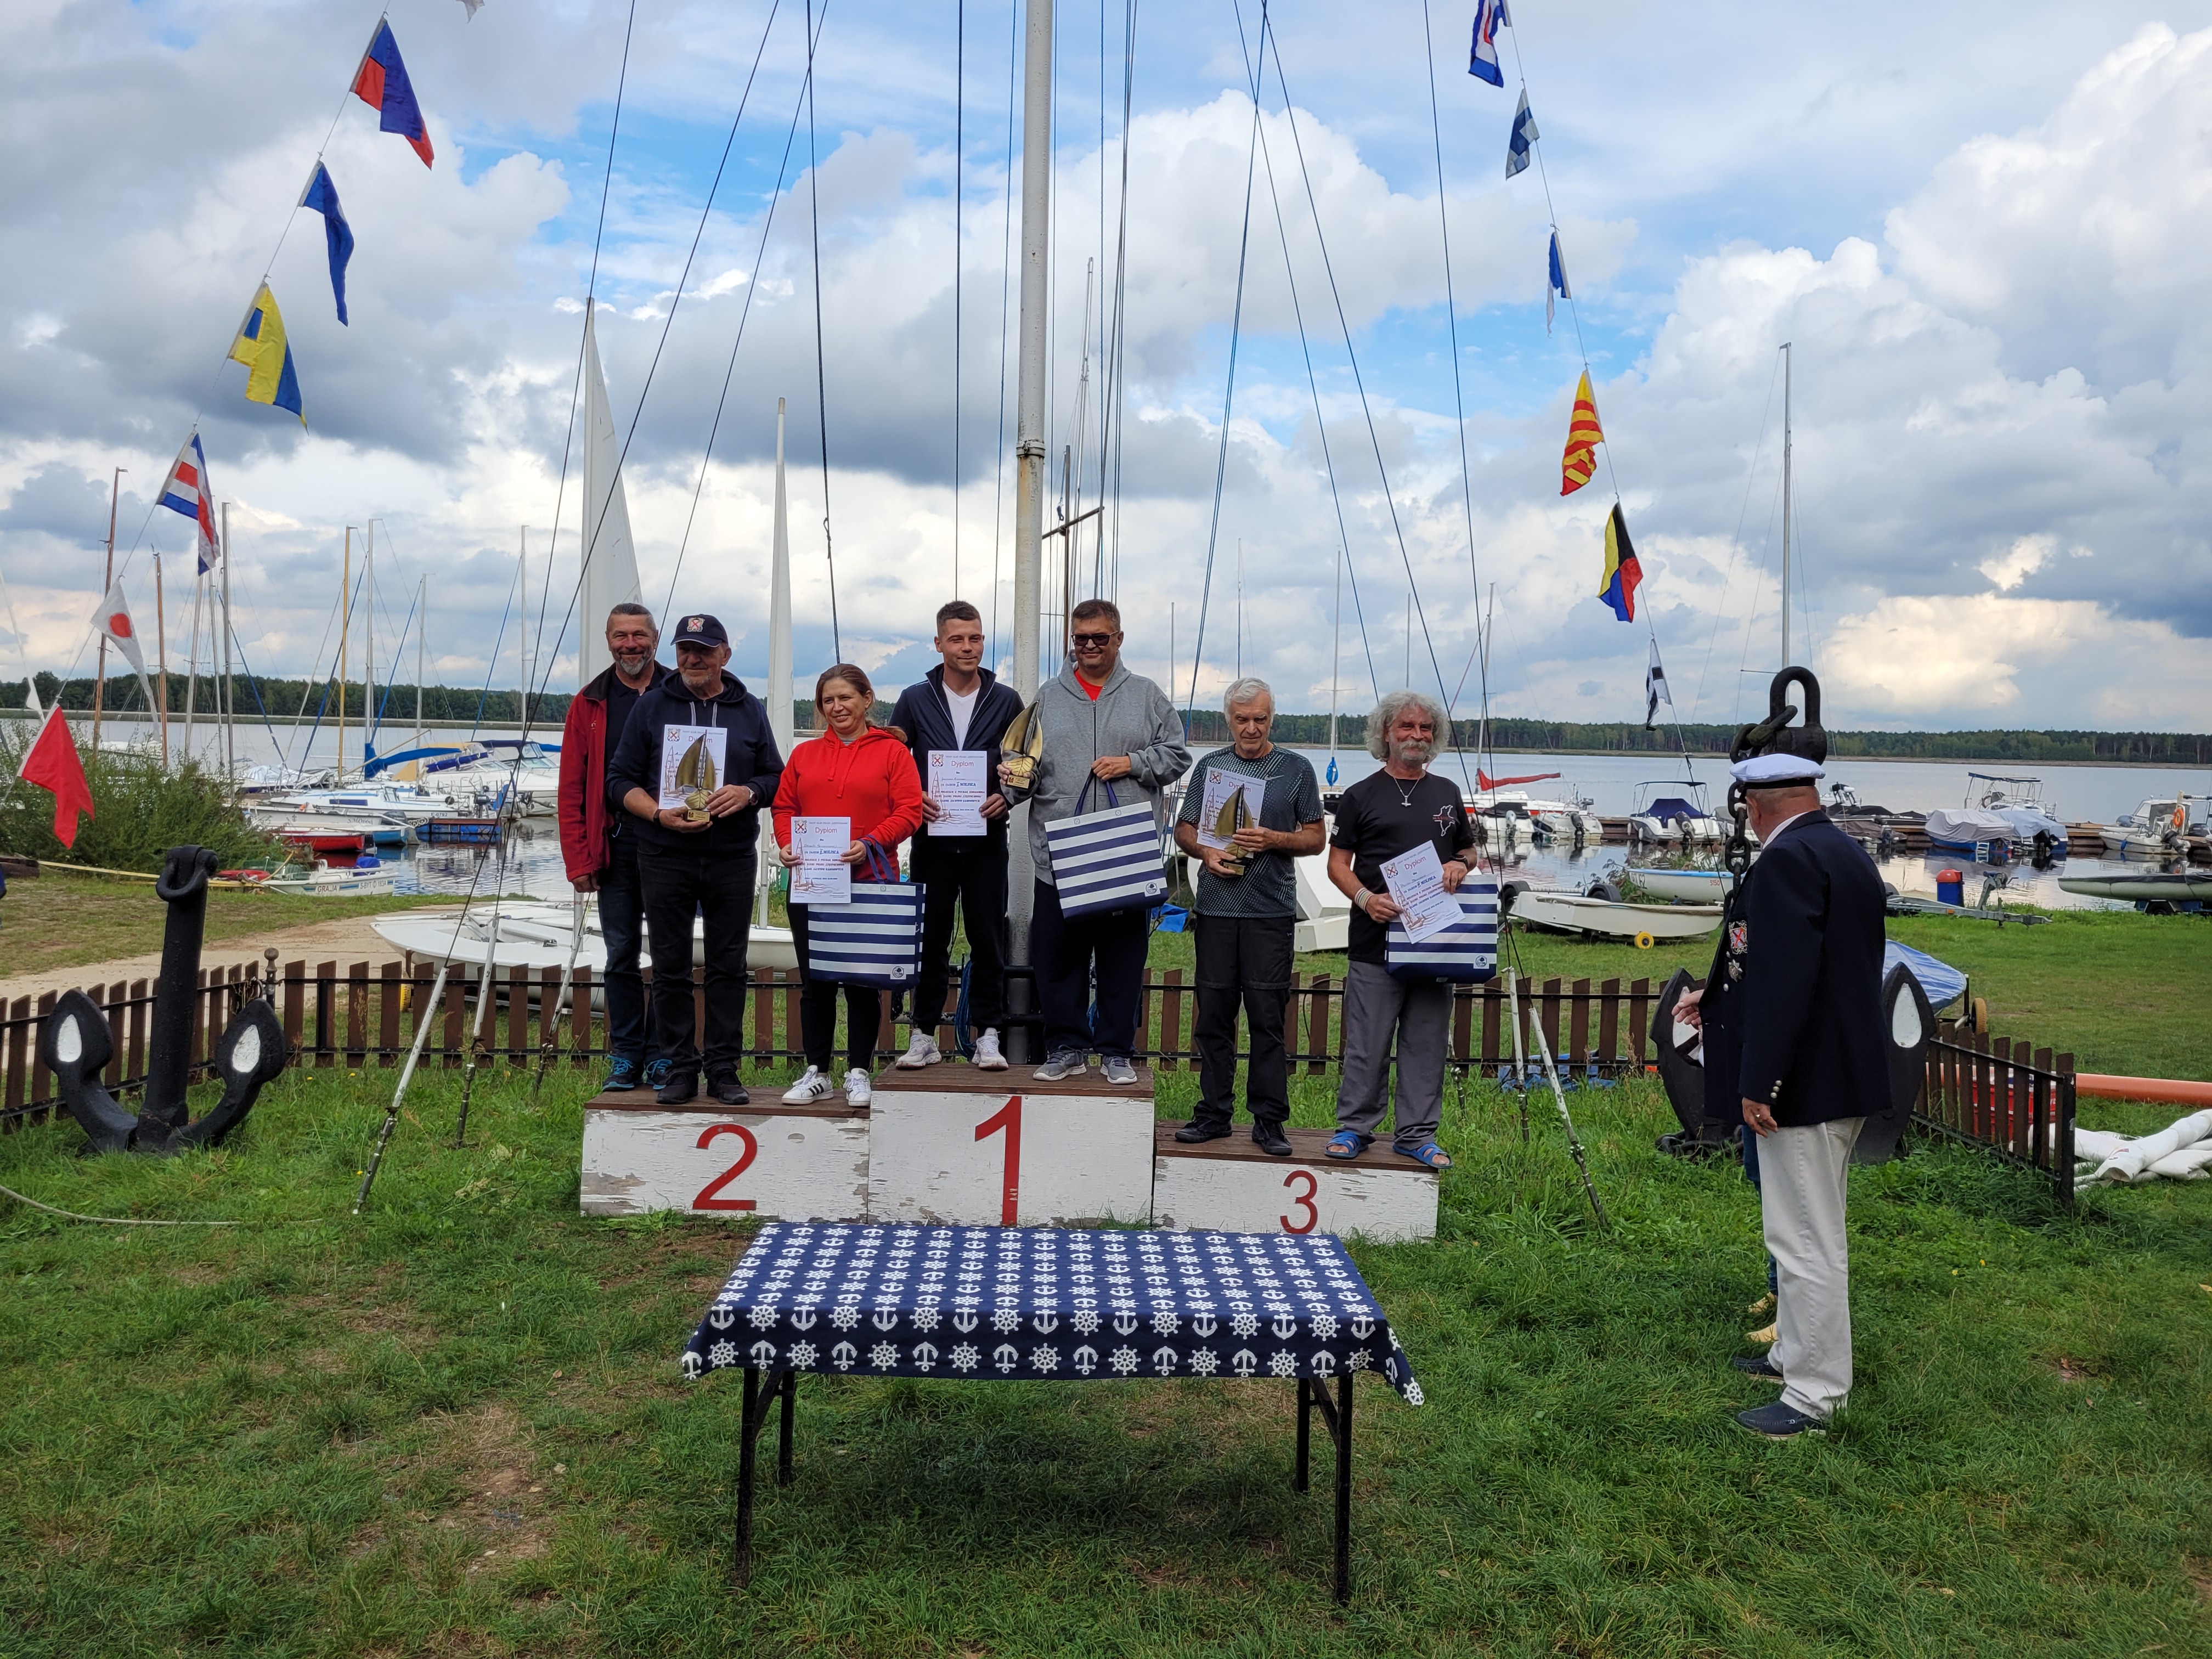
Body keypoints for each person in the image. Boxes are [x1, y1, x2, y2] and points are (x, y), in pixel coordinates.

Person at [1675, 752, 1886, 1439]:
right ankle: (1792, 1355)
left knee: (1803, 1240)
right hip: (1840, 1069)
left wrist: (1760, 1082)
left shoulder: (1788, 861)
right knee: (1810, 1229)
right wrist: (1716, 997)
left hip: (1802, 1080)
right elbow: (1812, 967)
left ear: (1755, 805)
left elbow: (1784, 981)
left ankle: (1815, 1395)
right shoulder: (1842, 852)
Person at [1002, 597, 1190, 1085]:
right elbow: (1026, 770)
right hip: (1059, 856)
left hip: (1124, 855)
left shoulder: (1146, 695)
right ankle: (1065, 1047)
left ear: (1118, 639)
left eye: (1099, 638)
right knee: (1057, 960)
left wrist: (1132, 763)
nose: (1089, 646)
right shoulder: (1047, 697)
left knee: (1121, 961)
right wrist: (1014, 779)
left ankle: (1115, 1051)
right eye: (1080, 638)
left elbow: (1177, 756)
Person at [605, 614, 783, 1107]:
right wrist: (657, 814)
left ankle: (723, 1070)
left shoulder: (749, 709)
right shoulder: (652, 706)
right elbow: (618, 780)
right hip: (665, 854)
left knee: (729, 965)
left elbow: (775, 778)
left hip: (731, 857)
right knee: (670, 966)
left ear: (725, 654)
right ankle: (680, 1068)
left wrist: (748, 792)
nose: (693, 658)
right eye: (685, 649)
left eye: (704, 650)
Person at [1323, 690, 1476, 1169]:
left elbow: (1469, 850)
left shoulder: (1447, 792)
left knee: (1426, 1043)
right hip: (1375, 939)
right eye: (1407, 727)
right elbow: (1337, 865)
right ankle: (1355, 1128)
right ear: (1386, 733)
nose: (1417, 735)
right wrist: (1365, 899)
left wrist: (1460, 864)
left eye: (1426, 728)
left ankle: (1416, 1135)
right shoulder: (1360, 795)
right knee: (1367, 1043)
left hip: (1436, 944)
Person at [1171, 678, 1324, 1156]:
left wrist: (1274, 839)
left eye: (1260, 719)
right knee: (1213, 1019)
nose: (1252, 728)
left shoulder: (1296, 769)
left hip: (1269, 913)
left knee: (1267, 1020)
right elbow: (1184, 829)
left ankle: (1269, 1121)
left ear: (1272, 718)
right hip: (1216, 908)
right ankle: (1214, 1114)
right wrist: (1204, 852)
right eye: (1242, 720)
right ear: (1229, 721)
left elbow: (1317, 838)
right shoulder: (1210, 767)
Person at [772, 663, 926, 1107]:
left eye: (845, 698)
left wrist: (872, 842)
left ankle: (859, 1071)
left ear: (866, 699)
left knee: (862, 983)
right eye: (828, 701)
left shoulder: (893, 753)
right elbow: (784, 807)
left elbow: (910, 811)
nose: (837, 707)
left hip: (868, 881)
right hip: (812, 883)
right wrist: (785, 843)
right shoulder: (804, 755)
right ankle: (817, 1072)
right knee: (815, 983)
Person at [888, 601, 1024, 1072]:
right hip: (933, 842)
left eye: (976, 638)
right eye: (958, 639)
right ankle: (923, 1034)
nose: (968, 647)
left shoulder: (1006, 700)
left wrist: (1008, 795)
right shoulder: (914, 698)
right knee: (930, 941)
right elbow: (892, 761)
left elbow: (1027, 763)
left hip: (987, 842)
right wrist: (914, 797)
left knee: (988, 941)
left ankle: (988, 1035)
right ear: (939, 644)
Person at [557, 603, 667, 1092]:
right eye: (621, 636)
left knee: (670, 954)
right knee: (621, 952)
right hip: (616, 844)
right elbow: (571, 788)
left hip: (672, 846)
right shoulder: (590, 702)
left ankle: (663, 1054)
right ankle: (626, 1055)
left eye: (639, 635)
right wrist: (578, 858)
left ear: (654, 638)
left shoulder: (679, 692)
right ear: (608, 641)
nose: (631, 644)